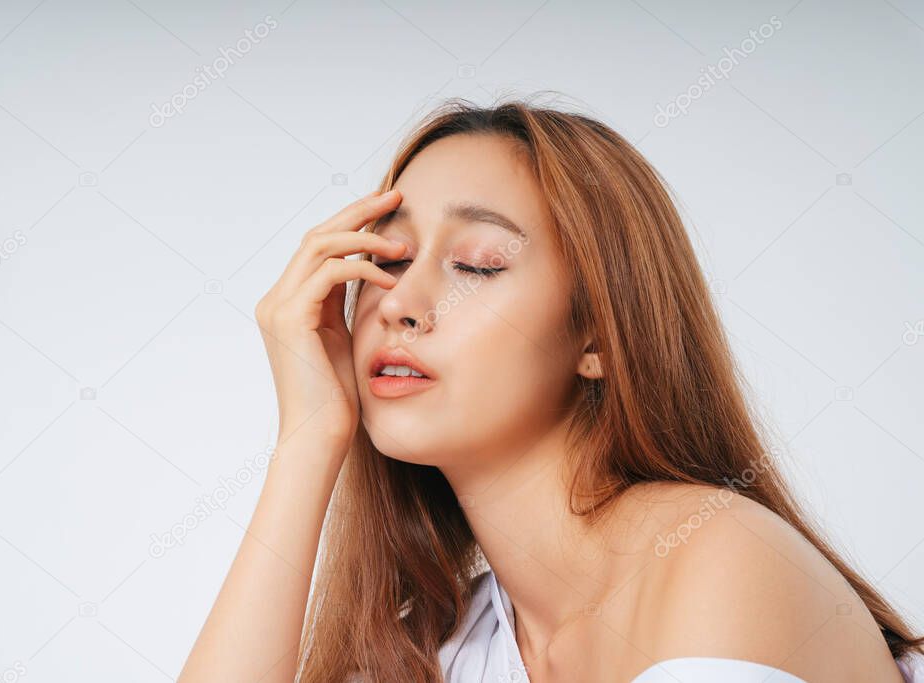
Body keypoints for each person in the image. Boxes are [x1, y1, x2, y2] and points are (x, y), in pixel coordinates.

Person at [177, 98, 924, 682]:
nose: (401, 302)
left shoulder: (715, 557)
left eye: (477, 264)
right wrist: (308, 440)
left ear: (597, 336)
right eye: (390, 258)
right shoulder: (443, 646)